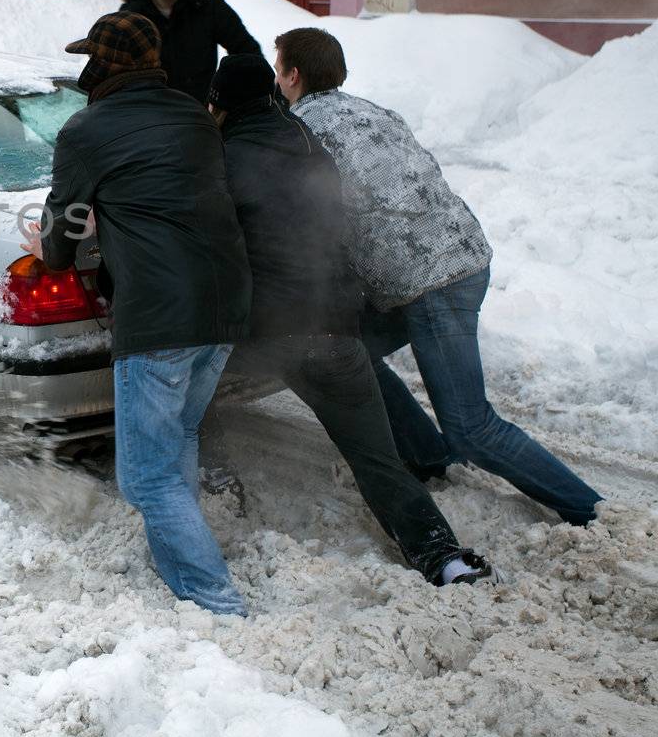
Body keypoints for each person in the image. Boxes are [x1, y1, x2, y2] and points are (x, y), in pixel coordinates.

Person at [275, 27, 602, 525]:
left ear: (293, 74)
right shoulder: (375, 111)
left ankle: (588, 507)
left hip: (434, 282)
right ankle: (427, 455)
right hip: (462, 255)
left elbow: (312, 214)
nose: (277, 79)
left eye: (278, 68)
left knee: (472, 427)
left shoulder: (303, 132)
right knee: (349, 348)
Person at [210, 54, 491, 585]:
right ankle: (444, 558)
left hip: (269, 333)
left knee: (180, 382)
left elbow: (215, 251)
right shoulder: (310, 147)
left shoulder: (223, 161)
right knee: (377, 459)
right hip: (336, 327)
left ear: (220, 106)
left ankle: (219, 483)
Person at [25, 10, 252, 615]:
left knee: (144, 477)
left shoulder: (86, 130)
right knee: (177, 434)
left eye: (89, 59)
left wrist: (46, 245)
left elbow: (58, 240)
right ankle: (178, 567)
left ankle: (216, 600)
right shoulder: (195, 116)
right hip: (228, 303)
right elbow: (170, 192)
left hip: (160, 318)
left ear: (101, 66)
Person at [117, 0, 261, 103]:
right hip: (152, 111)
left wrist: (234, 91)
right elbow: (115, 66)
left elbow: (246, 49)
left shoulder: (206, 3)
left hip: (200, 108)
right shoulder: (132, 13)